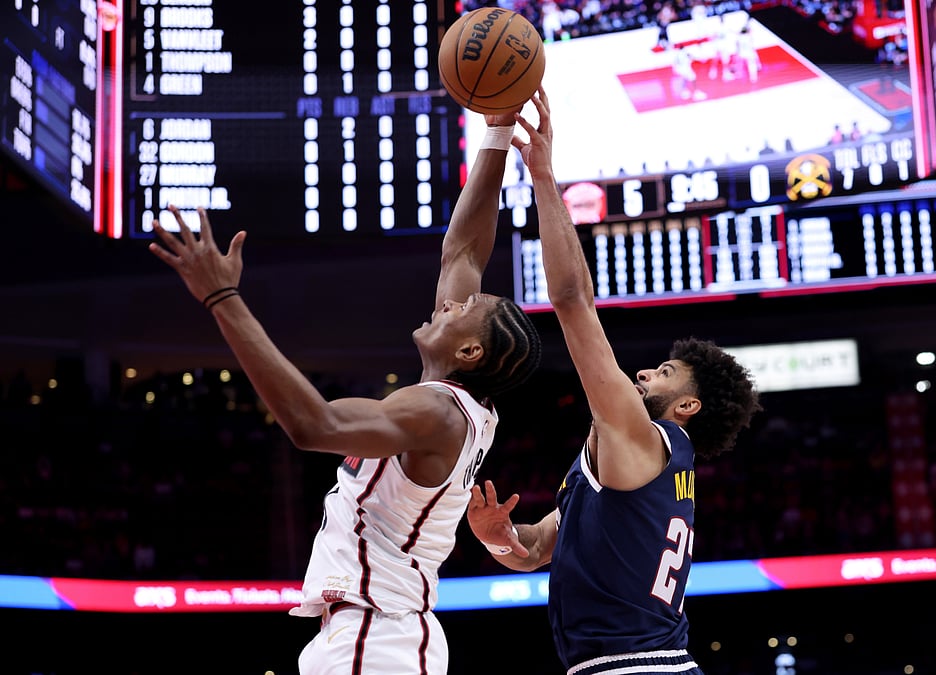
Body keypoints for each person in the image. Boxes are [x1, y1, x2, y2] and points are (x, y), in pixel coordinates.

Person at [147, 108, 542, 675]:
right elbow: (464, 253)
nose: (451, 302)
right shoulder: (457, 404)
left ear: (470, 353)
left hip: (374, 636)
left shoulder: (434, 410)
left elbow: (315, 427)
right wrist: (498, 130)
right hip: (380, 634)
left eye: (463, 310)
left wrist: (222, 300)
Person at [466, 88, 762, 675]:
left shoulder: (643, 439)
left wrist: (544, 177)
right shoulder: (640, 466)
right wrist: (497, 536)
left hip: (633, 667)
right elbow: (536, 551)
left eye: (666, 373)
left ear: (688, 405)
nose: (646, 372)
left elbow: (572, 301)